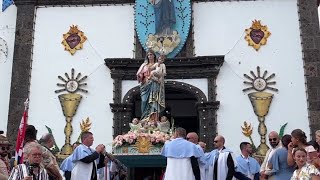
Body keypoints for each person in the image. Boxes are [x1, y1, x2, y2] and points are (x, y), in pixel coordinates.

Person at [136, 50, 165, 122]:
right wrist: (140, 75)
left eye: (151, 54)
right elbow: (139, 74)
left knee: (154, 100)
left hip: (154, 84)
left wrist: (156, 78)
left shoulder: (158, 64)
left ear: (154, 56)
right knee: (144, 100)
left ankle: (153, 120)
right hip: (145, 84)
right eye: (148, 55)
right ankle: (145, 118)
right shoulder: (144, 65)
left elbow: (161, 75)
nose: (150, 56)